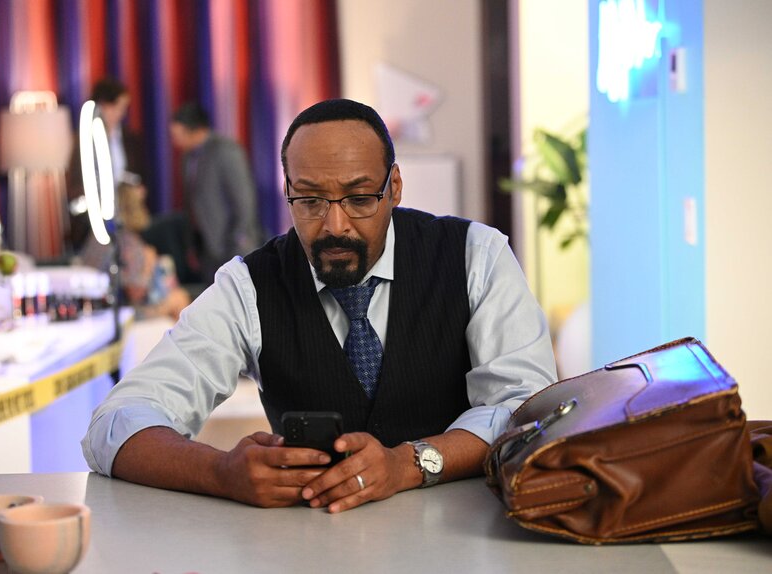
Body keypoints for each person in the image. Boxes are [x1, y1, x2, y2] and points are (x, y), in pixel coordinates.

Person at [83, 99, 556, 513]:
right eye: (309, 199)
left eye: (357, 198)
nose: (334, 225)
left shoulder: (475, 255)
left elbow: (529, 408)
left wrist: (408, 463)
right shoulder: (250, 285)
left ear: (394, 187)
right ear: (287, 190)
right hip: (311, 550)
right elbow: (115, 424)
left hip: (465, 540)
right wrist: (219, 471)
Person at [169, 102, 262, 282]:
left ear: (194, 130)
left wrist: (236, 240)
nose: (174, 141)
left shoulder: (226, 150)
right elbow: (191, 203)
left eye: (176, 135)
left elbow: (244, 201)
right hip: (205, 246)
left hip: (232, 247)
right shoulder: (187, 157)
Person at [79, 178, 191, 321]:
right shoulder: (127, 244)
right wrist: (148, 265)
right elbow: (135, 293)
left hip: (96, 306)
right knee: (179, 299)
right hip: (118, 313)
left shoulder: (100, 236)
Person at [67, 78, 146, 252]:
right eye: (117, 107)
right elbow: (75, 181)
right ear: (103, 105)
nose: (120, 113)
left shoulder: (127, 137)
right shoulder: (85, 139)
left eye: (123, 108)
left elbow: (135, 172)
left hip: (125, 212)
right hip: (95, 215)